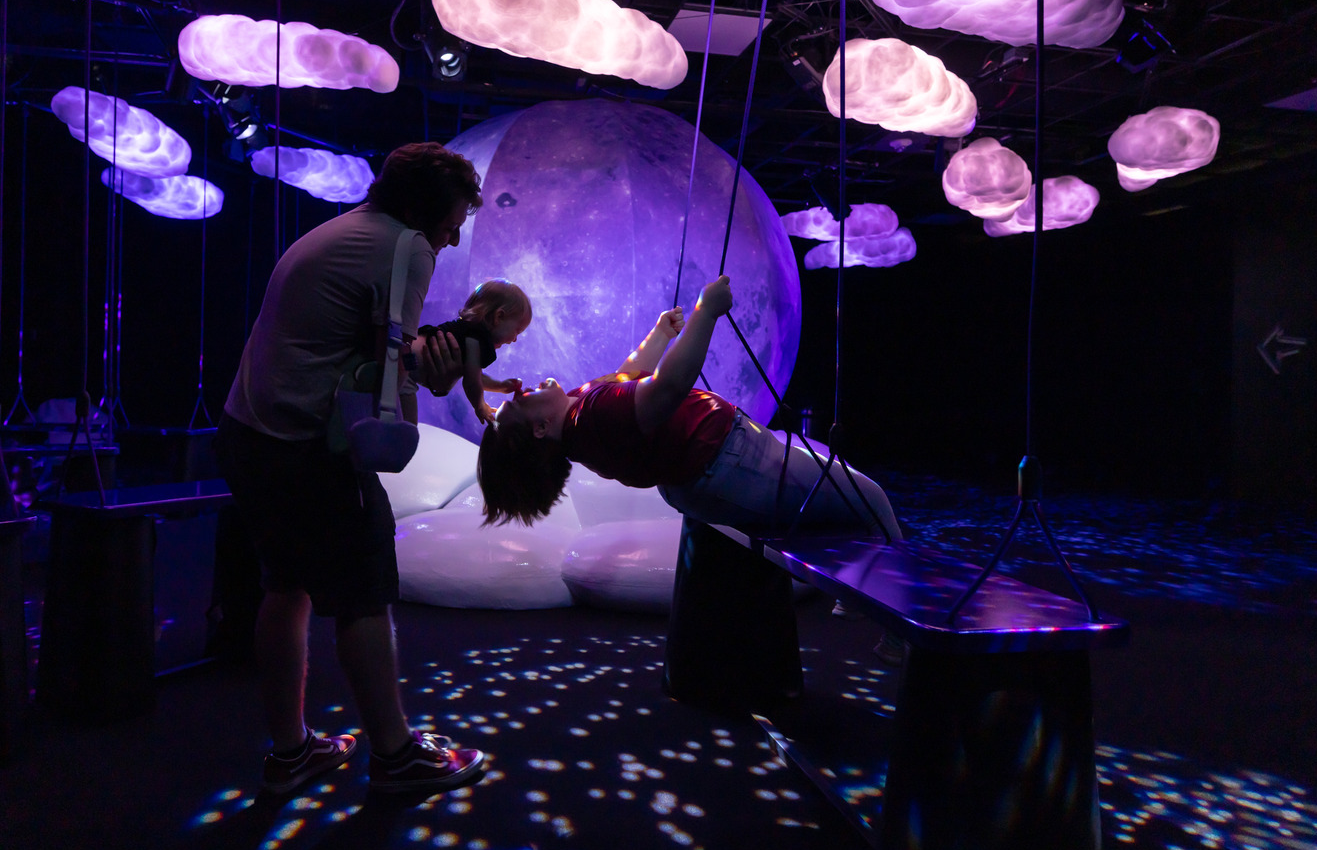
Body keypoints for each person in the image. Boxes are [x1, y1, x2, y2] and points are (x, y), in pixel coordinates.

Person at [215, 142, 490, 797]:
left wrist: (417, 355)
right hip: (306, 443)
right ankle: (395, 757)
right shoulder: (407, 247)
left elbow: (360, 345)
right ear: (424, 211)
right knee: (364, 592)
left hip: (247, 431)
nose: (452, 240)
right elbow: (390, 367)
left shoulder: (343, 229)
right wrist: (442, 370)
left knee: (286, 586)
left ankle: (291, 753)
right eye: (451, 223)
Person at [476, 275, 904, 544]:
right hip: (732, 462)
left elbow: (627, 378)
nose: (518, 389)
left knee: (828, 517)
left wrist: (660, 334)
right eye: (516, 403)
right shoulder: (591, 419)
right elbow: (667, 387)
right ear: (539, 428)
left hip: (715, 470)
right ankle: (898, 629)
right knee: (868, 500)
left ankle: (855, 593)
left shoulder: (579, 418)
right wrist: (706, 310)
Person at [409, 279, 531, 426]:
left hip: (405, 361)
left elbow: (474, 375)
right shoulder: (477, 339)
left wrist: (500, 386)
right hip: (402, 359)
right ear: (499, 316)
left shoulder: (468, 332)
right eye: (517, 331)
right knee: (408, 425)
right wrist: (480, 406)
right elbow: (472, 382)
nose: (515, 339)